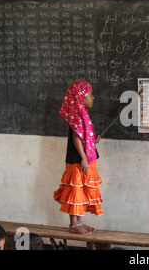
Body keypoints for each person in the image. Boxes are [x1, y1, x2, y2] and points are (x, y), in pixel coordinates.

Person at [54, 81, 103, 235]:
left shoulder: (82, 113)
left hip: (83, 158)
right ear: (82, 97)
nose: (93, 98)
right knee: (75, 189)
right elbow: (76, 137)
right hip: (78, 159)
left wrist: (93, 140)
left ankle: (78, 222)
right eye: (90, 94)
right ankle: (74, 225)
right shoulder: (77, 114)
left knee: (80, 190)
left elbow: (83, 136)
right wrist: (83, 158)